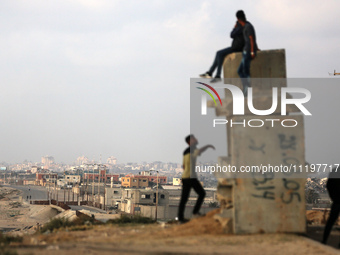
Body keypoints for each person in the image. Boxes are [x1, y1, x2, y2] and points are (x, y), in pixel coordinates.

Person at [178, 134, 215, 223]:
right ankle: (194, 213)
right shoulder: (192, 149)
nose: (196, 139)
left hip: (186, 177)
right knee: (201, 193)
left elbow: (183, 166)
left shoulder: (185, 151)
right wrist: (208, 146)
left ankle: (181, 218)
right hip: (190, 177)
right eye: (194, 139)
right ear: (190, 141)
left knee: (184, 199)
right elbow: (199, 151)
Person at [199, 12, 245, 83]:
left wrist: (234, 27)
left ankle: (217, 75)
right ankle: (211, 73)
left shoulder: (241, 26)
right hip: (237, 47)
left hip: (237, 48)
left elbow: (232, 34)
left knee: (219, 54)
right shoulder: (246, 25)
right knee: (219, 54)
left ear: (238, 18)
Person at [236, 10, 258, 97]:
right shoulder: (246, 26)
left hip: (248, 52)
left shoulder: (248, 26)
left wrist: (253, 51)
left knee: (246, 71)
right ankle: (245, 87)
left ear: (238, 19)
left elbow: (252, 38)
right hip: (246, 51)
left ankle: (247, 89)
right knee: (240, 70)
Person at [322, 169, 340, 245]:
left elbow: (329, 185)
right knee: (330, 221)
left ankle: (324, 240)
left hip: (336, 200)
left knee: (330, 222)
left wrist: (333, 197)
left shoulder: (334, 171)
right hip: (336, 200)